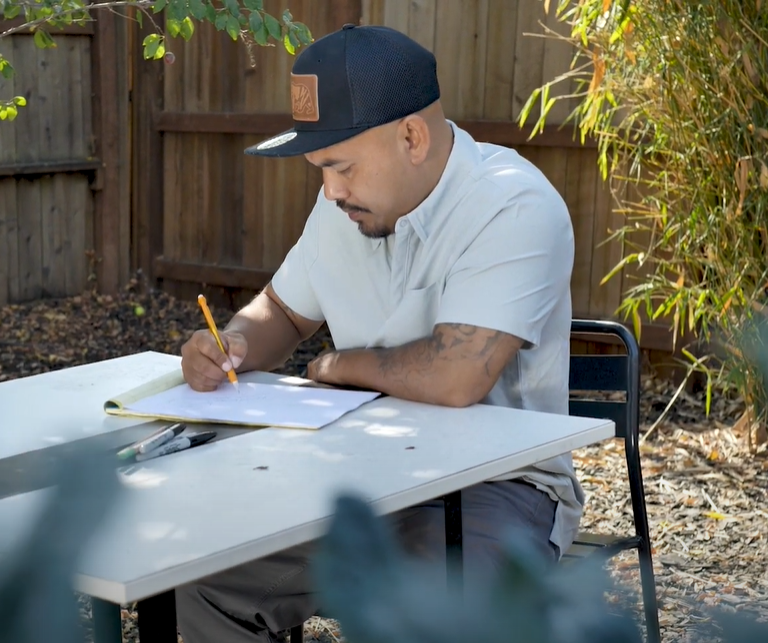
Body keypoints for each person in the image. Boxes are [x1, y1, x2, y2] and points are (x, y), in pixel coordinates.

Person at [175, 22, 587, 643]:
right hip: (361, 472)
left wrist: (341, 365)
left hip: (496, 486)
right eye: (320, 169)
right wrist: (230, 342)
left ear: (412, 137)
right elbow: (283, 313)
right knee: (204, 583)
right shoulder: (345, 208)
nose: (330, 190)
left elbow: (456, 376)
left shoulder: (513, 204)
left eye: (341, 167)